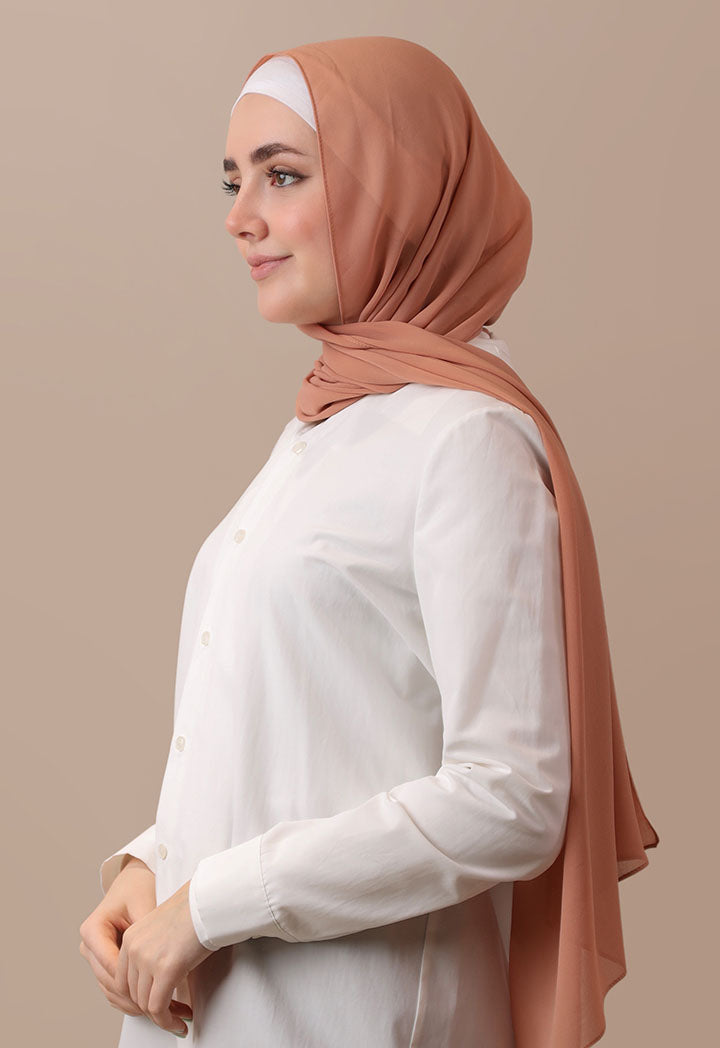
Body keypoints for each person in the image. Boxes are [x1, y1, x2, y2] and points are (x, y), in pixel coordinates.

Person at [79, 36, 659, 1048]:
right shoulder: (329, 421)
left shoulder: (465, 439)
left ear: (399, 189)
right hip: (218, 1011)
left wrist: (211, 902)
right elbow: (298, 734)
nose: (240, 215)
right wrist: (150, 865)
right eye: (233, 180)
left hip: (359, 1019)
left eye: (283, 174)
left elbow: (512, 798)